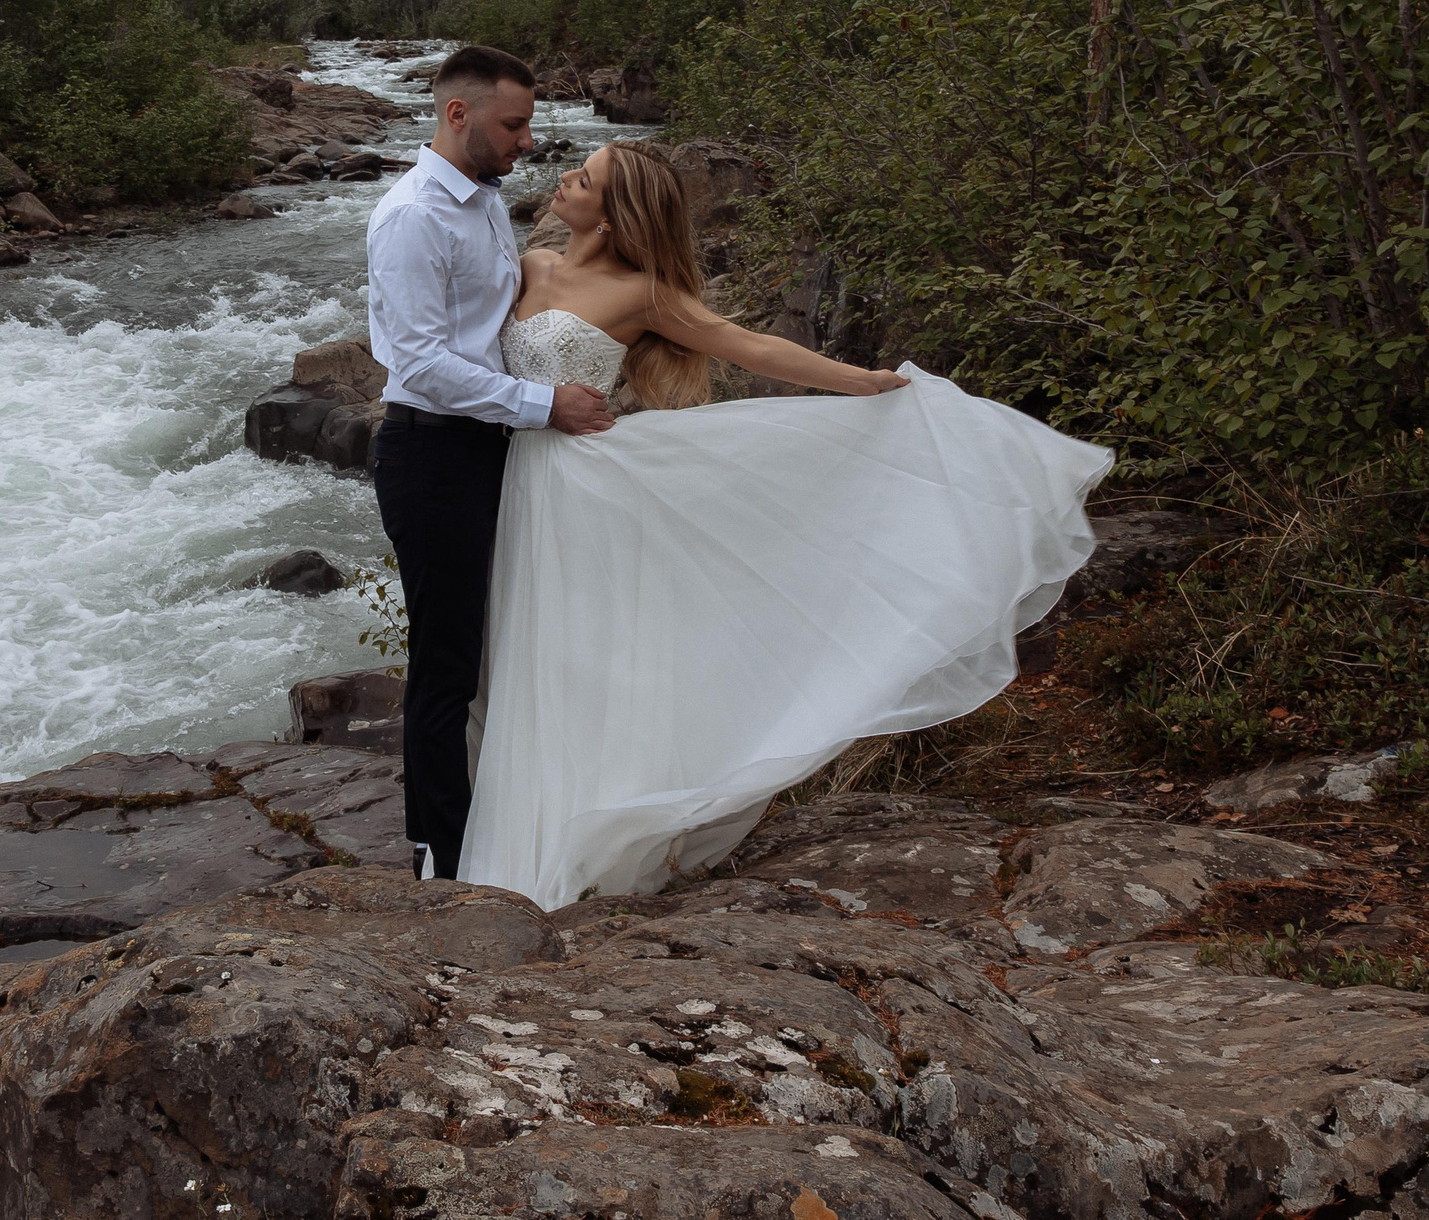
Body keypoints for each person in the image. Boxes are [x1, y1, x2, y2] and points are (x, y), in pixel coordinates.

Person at [454, 139, 1111, 907]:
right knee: (519, 650)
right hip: (515, 476)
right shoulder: (529, 264)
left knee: (579, 656)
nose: (565, 178)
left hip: (581, 491)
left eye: (584, 176)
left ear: (612, 213)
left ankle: (580, 837)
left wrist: (860, 382)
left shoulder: (643, 293)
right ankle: (512, 826)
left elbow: (747, 344)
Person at [365, 45, 613, 883]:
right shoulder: (413, 217)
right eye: (514, 124)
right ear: (457, 114)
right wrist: (547, 403)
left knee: (494, 647)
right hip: (431, 453)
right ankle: (441, 858)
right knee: (447, 665)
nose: (527, 140)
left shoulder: (485, 201)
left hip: (489, 450)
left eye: (529, 124)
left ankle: (497, 829)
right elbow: (422, 363)